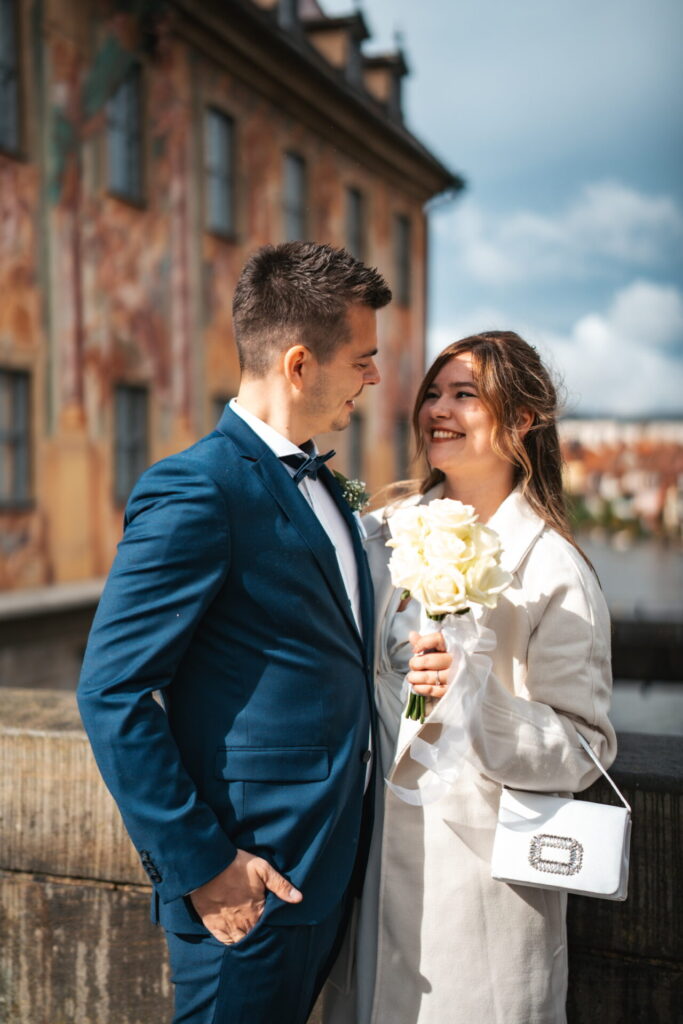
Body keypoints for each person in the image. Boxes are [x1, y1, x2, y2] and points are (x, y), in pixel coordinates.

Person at [77, 241, 393, 1024]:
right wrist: (204, 863)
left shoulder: (331, 483)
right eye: (363, 358)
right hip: (248, 880)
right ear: (297, 365)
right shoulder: (198, 487)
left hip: (330, 863)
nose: (375, 377)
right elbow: (110, 690)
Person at [323, 330, 617, 1024]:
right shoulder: (381, 531)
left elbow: (584, 748)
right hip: (362, 872)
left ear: (521, 420)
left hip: (479, 890)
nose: (438, 409)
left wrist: (477, 696)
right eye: (432, 392)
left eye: (464, 395)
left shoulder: (554, 570)